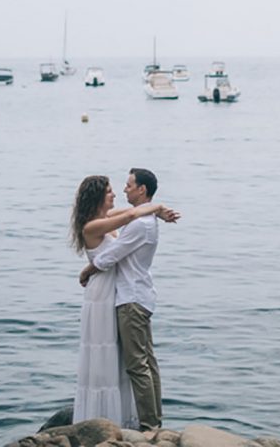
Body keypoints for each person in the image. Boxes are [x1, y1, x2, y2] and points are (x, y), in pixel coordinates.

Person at [71, 171, 179, 429]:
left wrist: (154, 211)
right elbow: (129, 217)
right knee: (115, 354)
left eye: (126, 186)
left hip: (121, 292)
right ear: (98, 197)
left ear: (141, 190)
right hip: (106, 293)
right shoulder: (95, 224)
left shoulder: (110, 219)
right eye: (110, 191)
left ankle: (145, 423)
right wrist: (158, 208)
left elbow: (127, 217)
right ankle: (140, 422)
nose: (117, 192)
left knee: (131, 360)